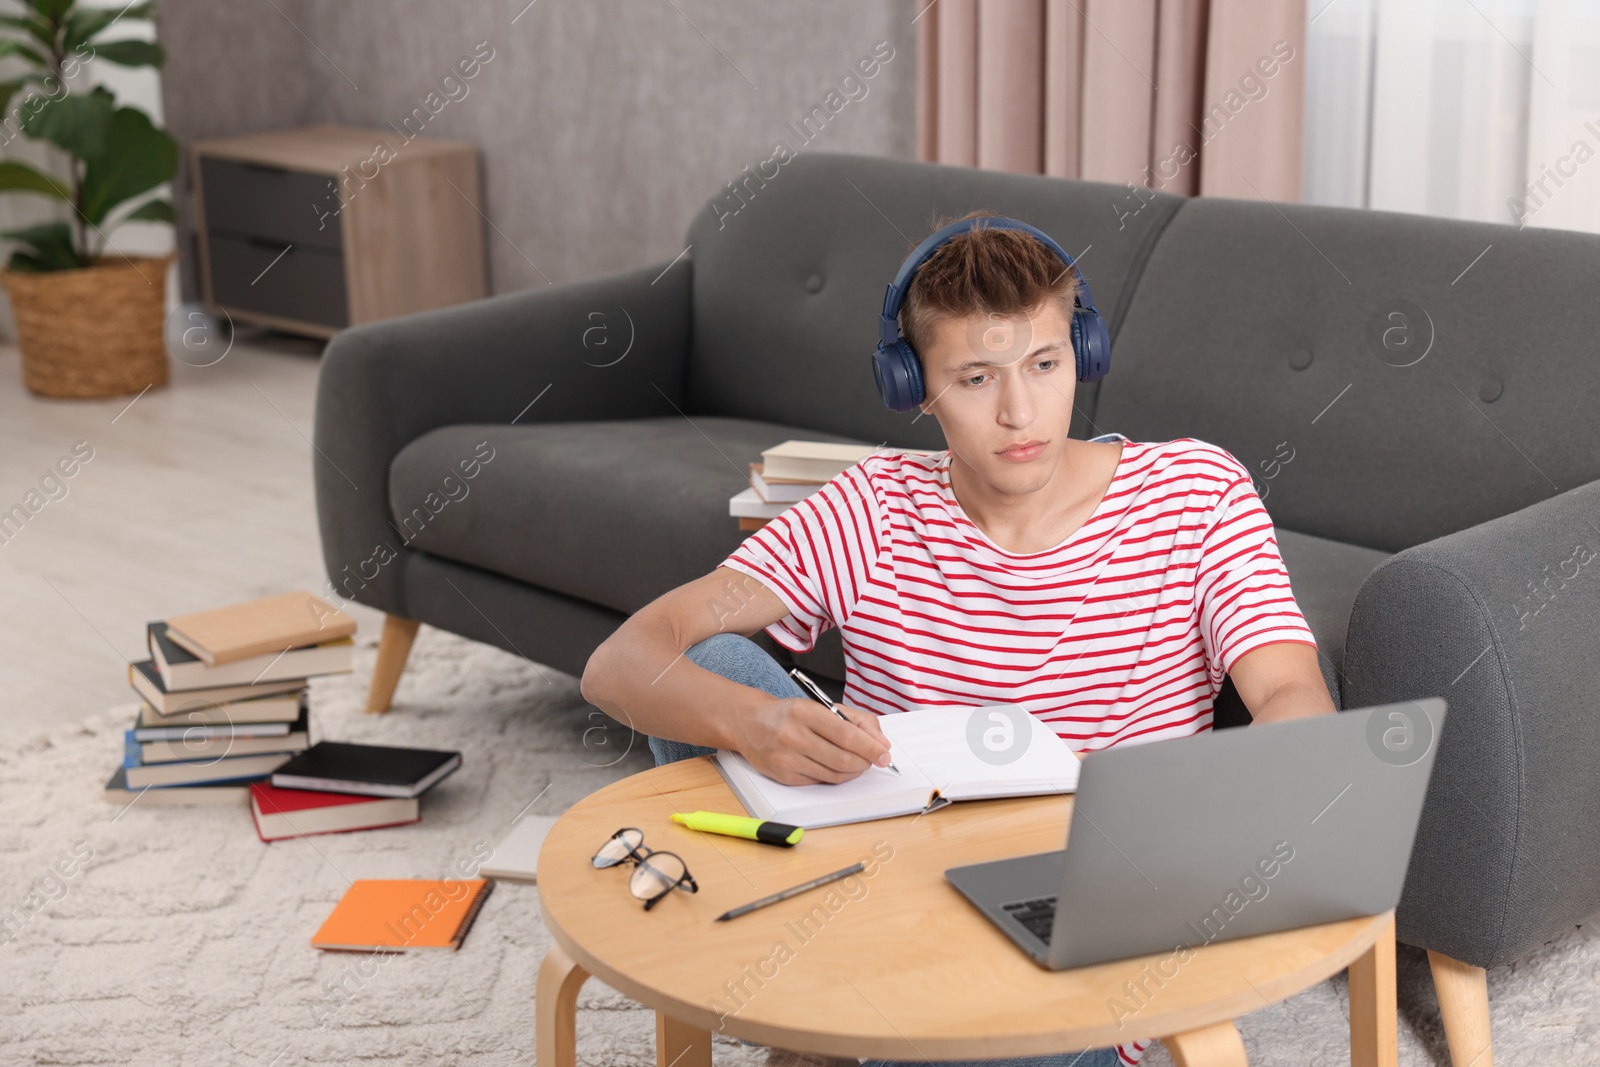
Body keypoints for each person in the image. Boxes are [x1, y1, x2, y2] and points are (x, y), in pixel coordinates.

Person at [580, 210, 1337, 1067]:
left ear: (1079, 356)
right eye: (976, 378)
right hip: (886, 891)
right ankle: (827, 991)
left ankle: (837, 1024)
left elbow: (1289, 694)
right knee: (714, 667)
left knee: (983, 1026)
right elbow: (622, 662)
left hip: (1079, 930)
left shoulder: (1196, 491)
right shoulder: (872, 505)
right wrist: (759, 725)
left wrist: (1237, 802)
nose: (1021, 412)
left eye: (1045, 366)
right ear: (917, 387)